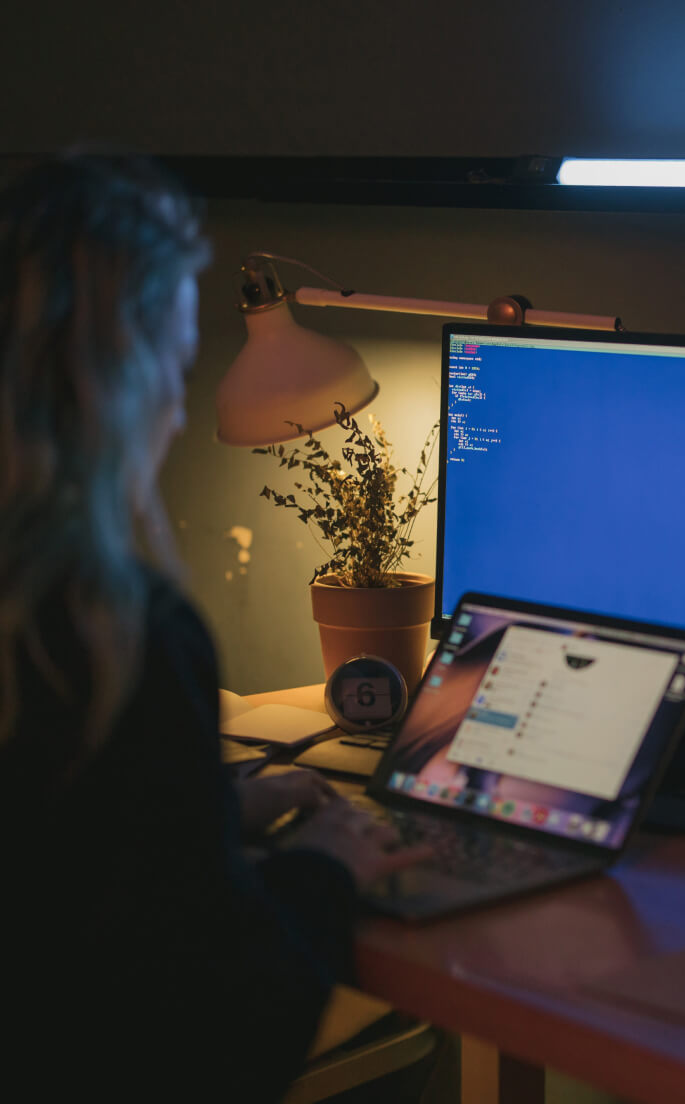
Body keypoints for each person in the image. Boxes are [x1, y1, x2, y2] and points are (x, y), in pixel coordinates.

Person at [0, 152, 427, 1102]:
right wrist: (326, 864)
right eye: (178, 361)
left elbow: (49, 845)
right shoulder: (113, 633)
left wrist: (209, 811)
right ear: (127, 376)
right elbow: (218, 1033)